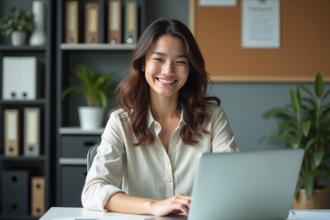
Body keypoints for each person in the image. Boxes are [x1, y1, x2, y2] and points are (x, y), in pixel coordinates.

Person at [81, 18, 239, 216]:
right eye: (158, 59)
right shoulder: (121, 122)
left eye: (180, 62)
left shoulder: (213, 117)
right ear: (142, 64)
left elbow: (234, 184)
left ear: (189, 69)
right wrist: (155, 206)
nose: (168, 71)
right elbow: (92, 192)